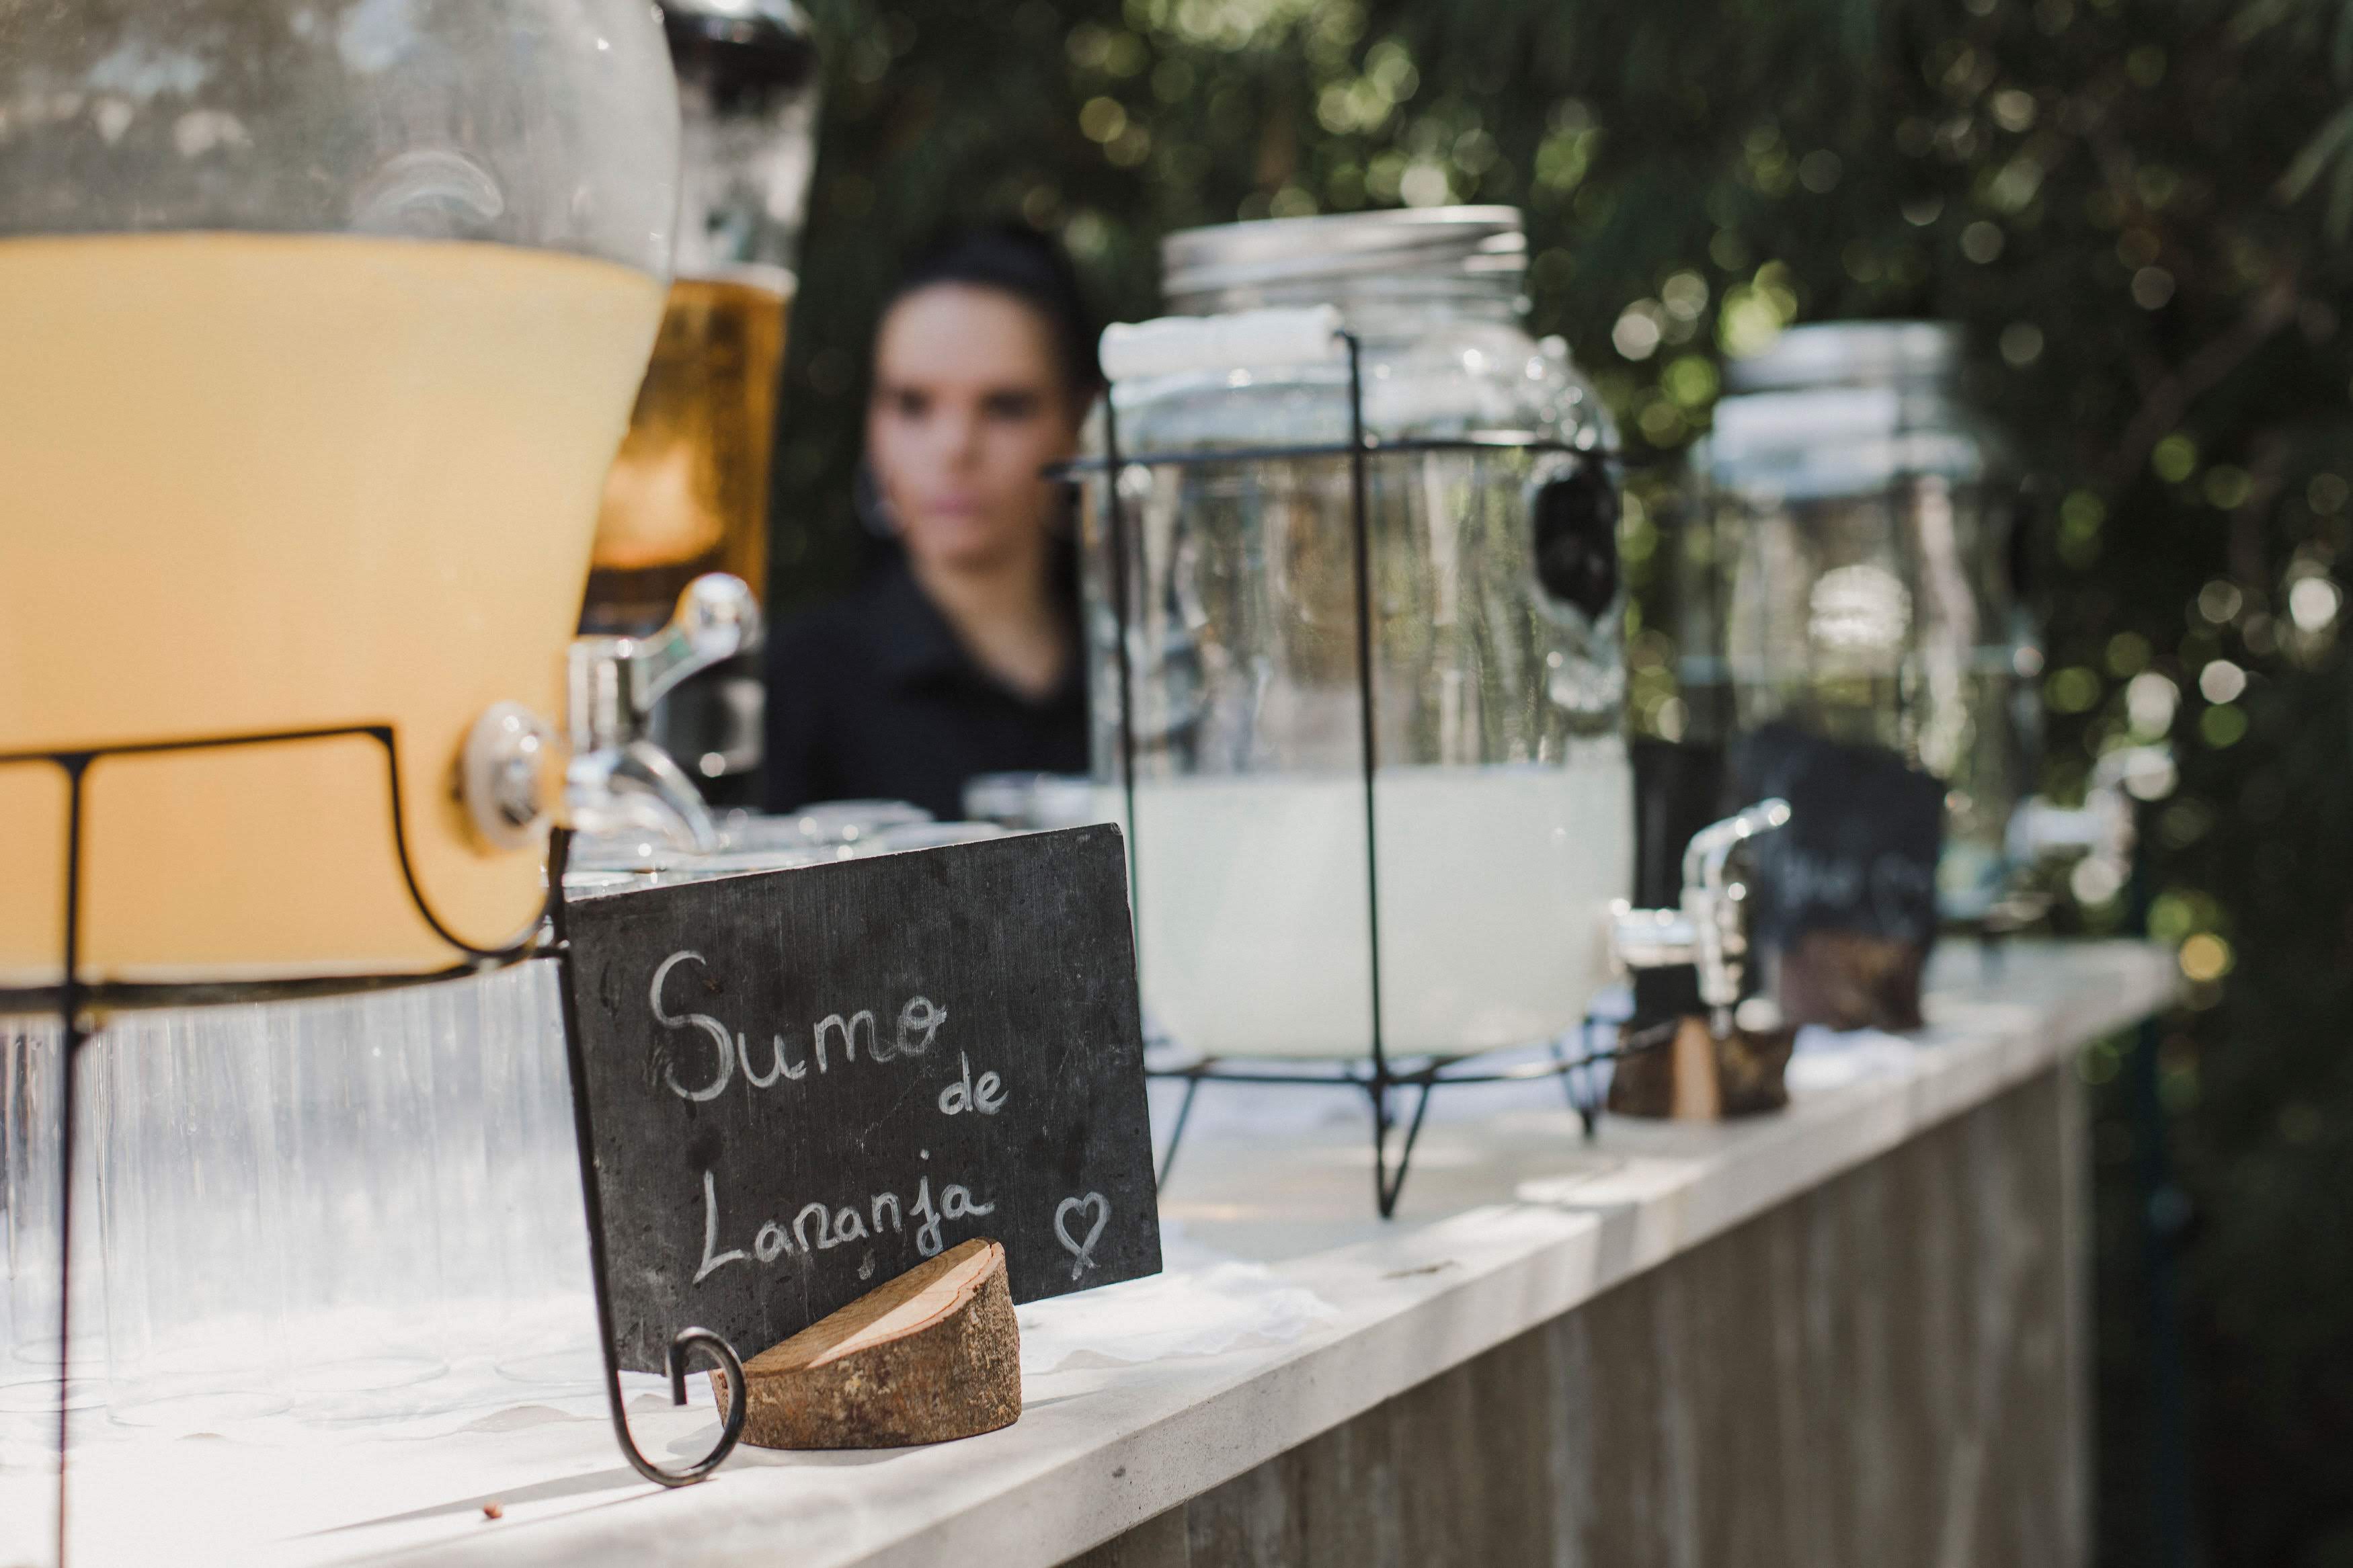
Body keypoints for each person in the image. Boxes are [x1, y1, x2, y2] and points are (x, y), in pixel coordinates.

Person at [763, 224, 1101, 820]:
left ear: (1078, 423)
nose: (955, 447)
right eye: (913, 403)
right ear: (872, 423)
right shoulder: (789, 692)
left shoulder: (1144, 682)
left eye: (1006, 406)